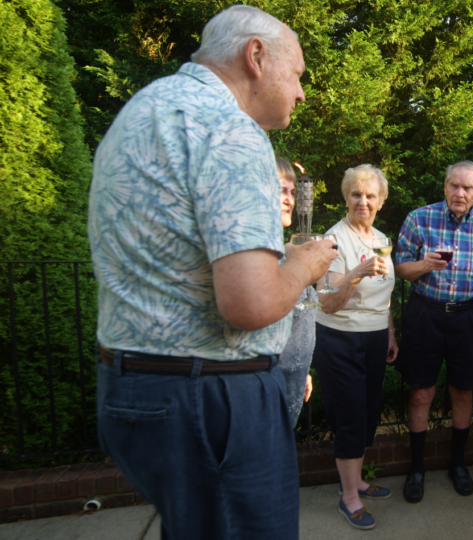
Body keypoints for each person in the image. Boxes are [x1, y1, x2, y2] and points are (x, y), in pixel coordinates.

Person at [88, 6, 337, 540]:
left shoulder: (146, 109)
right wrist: (304, 263)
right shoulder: (231, 131)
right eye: (297, 75)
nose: (300, 94)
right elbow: (252, 304)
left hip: (134, 388)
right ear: (255, 56)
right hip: (212, 398)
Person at [394, 160, 473, 503]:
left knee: (464, 392)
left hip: (468, 318)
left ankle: (458, 464)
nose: (460, 193)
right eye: (454, 185)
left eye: (468, 187)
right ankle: (416, 468)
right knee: (421, 393)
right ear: (445, 187)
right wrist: (425, 264)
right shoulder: (419, 219)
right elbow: (399, 268)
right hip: (425, 314)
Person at [312, 164, 399, 530]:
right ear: (346, 198)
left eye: (370, 195)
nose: (363, 201)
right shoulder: (334, 240)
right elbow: (328, 301)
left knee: (368, 412)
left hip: (375, 336)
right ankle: (349, 497)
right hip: (340, 338)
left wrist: (389, 333)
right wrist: (358, 272)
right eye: (356, 194)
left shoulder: (380, 237)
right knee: (349, 415)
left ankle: (358, 480)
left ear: (381, 201)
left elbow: (385, 295)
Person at [276, 157, 315, 428]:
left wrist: (303, 368)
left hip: (293, 380)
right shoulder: (260, 255)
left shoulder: (281, 250)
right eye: (281, 190)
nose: (289, 199)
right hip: (268, 382)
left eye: (292, 192)